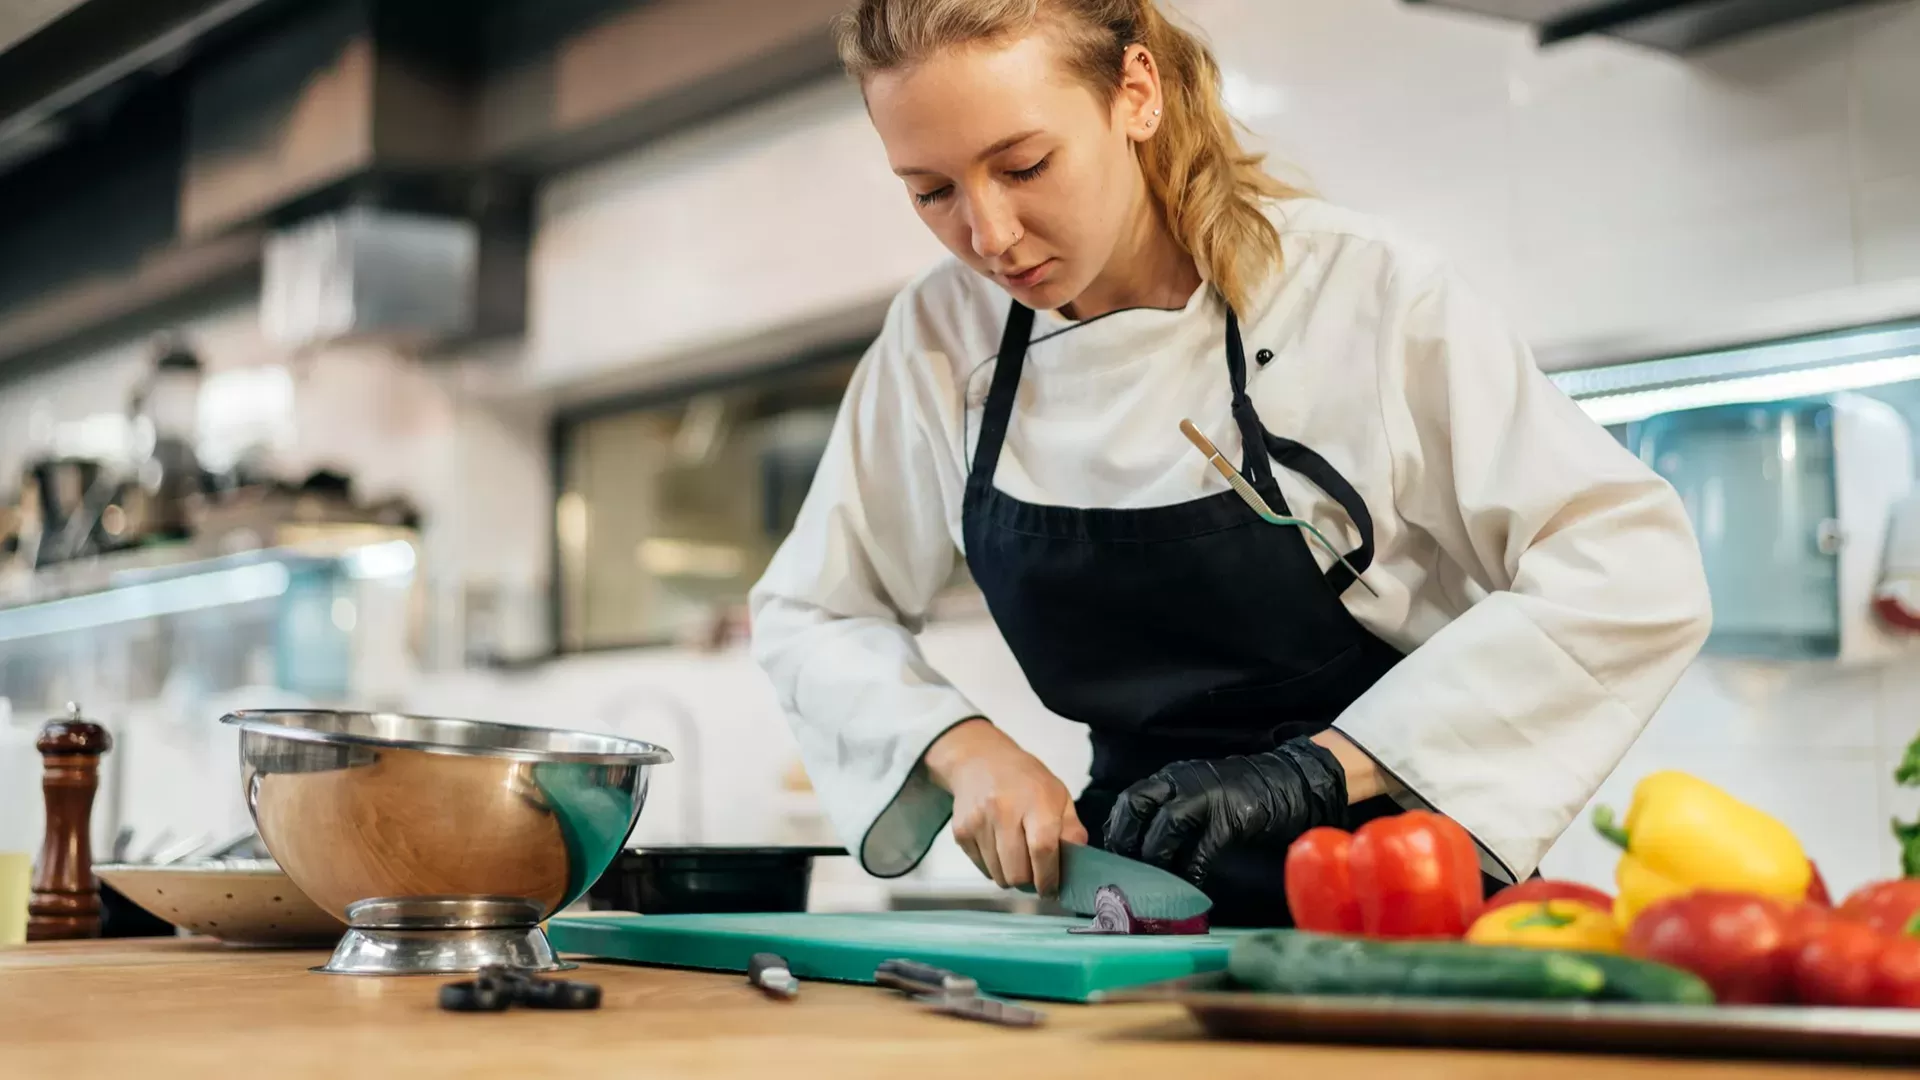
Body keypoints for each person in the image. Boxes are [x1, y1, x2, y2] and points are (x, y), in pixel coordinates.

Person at [749, 0, 1712, 926]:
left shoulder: (1359, 294)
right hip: (1129, 908)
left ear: (1136, 92)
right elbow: (814, 607)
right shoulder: (941, 339)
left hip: (1404, 898)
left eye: (1026, 164)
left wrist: (1321, 770)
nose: (988, 234)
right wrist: (964, 750)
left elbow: (1630, 566)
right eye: (933, 191)